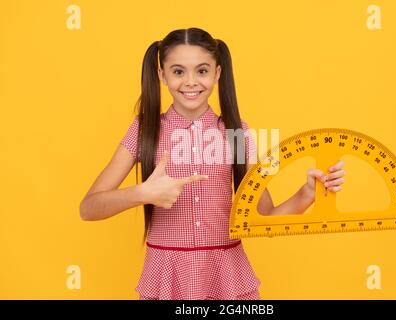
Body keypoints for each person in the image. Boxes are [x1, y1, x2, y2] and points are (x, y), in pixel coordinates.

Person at [79, 27, 345, 300]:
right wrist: (142, 193)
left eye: (202, 71)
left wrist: (308, 193)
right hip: (166, 277)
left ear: (217, 73)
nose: (191, 81)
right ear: (162, 75)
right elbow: (88, 208)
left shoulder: (237, 133)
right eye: (178, 71)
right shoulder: (143, 130)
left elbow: (264, 218)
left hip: (228, 275)